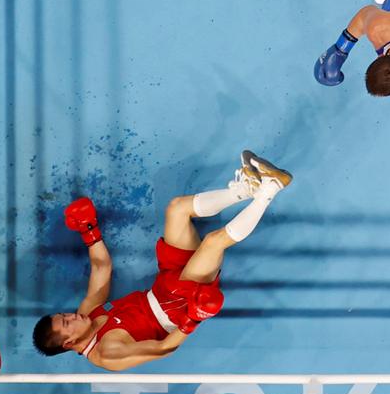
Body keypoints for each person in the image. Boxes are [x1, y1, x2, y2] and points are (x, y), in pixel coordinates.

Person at [32, 151, 292, 371]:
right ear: (68, 343)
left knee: (177, 209)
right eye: (67, 323)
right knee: (214, 241)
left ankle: (248, 188)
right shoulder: (107, 354)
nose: (72, 316)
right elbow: (163, 349)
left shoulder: (87, 314)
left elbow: (102, 268)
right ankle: (271, 187)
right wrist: (193, 318)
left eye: (64, 314)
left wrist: (90, 232)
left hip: (163, 284)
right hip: (179, 304)